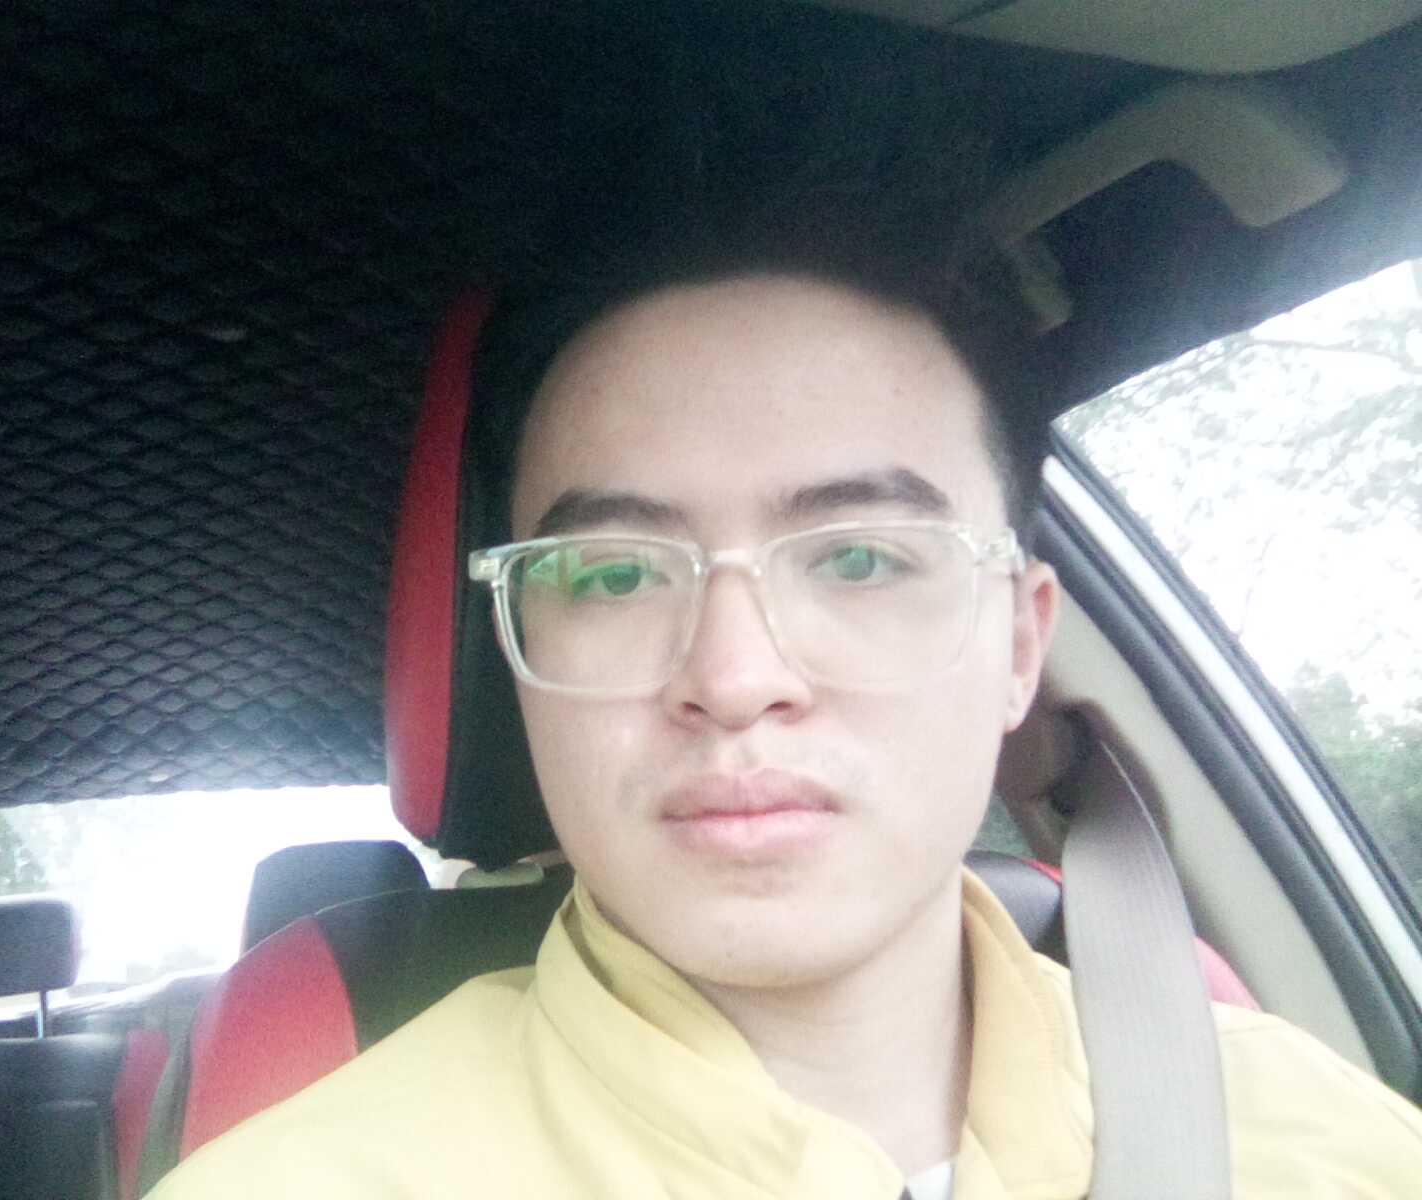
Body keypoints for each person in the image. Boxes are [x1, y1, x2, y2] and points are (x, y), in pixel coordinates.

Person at [151, 213, 1422, 1198]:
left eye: (860, 557)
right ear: (512, 653)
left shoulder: (1333, 1151)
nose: (733, 676)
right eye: (612, 574)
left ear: (1019, 645)